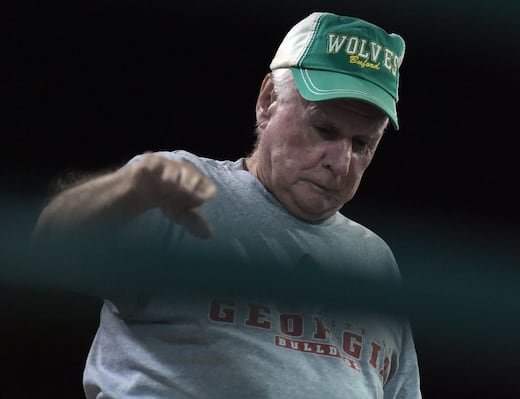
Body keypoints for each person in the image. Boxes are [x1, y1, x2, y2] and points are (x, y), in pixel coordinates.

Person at [31, 11, 422, 399]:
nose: (340, 162)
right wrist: (126, 191)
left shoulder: (376, 262)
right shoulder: (177, 190)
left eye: (362, 144)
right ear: (268, 101)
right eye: (324, 129)